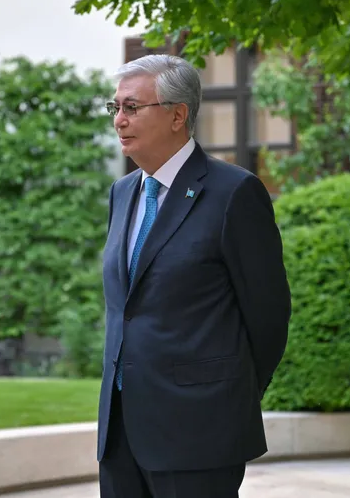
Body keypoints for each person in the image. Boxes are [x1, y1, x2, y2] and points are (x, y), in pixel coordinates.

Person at [97, 54, 291, 498]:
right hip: (121, 435)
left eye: (132, 107)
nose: (119, 120)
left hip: (200, 434)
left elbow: (268, 317)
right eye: (115, 108)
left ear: (177, 115)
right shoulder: (122, 193)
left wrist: (222, 397)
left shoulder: (234, 193)